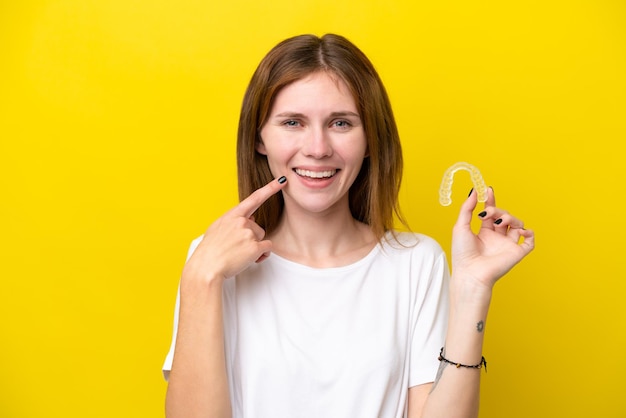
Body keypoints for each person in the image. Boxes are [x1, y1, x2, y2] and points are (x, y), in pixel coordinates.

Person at [162, 33, 534, 418]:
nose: (318, 148)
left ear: (371, 138)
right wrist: (200, 279)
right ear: (260, 138)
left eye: (341, 123)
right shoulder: (213, 264)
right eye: (293, 122)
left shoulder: (416, 263)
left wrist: (473, 290)